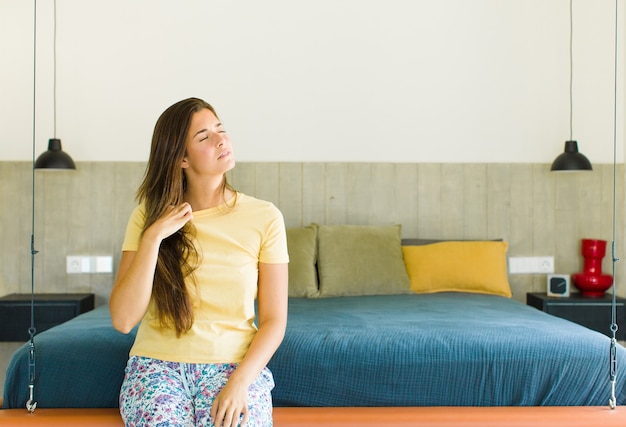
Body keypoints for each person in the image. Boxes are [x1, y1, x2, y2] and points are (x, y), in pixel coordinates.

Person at [109, 97, 289, 427]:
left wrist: (239, 384)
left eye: (221, 130)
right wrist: (153, 237)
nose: (222, 140)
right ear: (181, 158)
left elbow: (275, 321)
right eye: (205, 137)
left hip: (234, 367)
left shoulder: (264, 217)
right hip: (157, 367)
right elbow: (123, 320)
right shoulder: (147, 218)